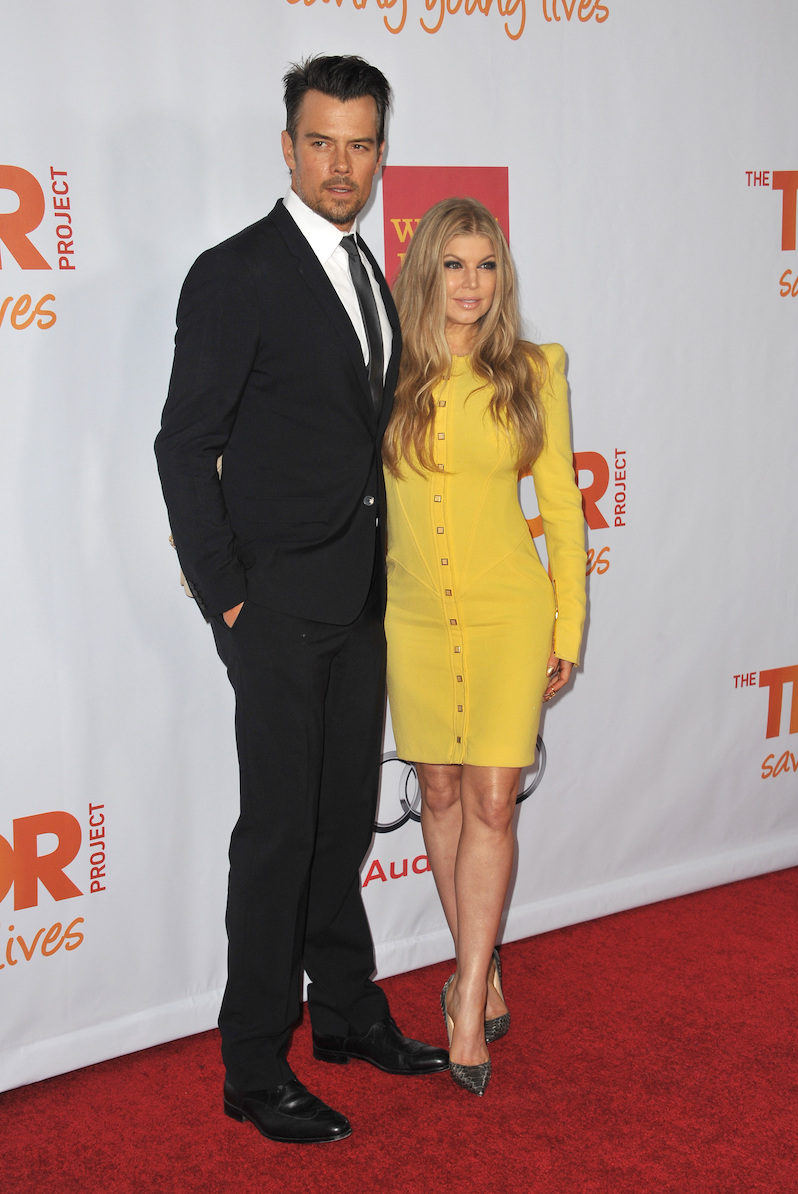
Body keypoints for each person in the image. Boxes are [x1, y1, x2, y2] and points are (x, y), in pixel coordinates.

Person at [155, 55, 448, 1146]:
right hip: (276, 609)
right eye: (320, 141)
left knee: (335, 824)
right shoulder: (235, 271)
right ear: (287, 146)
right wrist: (230, 602)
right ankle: (250, 1062)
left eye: (360, 143)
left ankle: (345, 1010)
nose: (341, 163)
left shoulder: (371, 267)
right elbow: (184, 445)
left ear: (379, 152)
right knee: (277, 834)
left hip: (362, 598)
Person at [382, 197, 586, 1096]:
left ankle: (466, 994)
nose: (472, 284)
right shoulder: (385, 370)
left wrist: (569, 629)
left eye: (487, 265)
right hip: (413, 617)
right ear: (426, 270)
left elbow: (566, 513)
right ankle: (483, 957)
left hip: (511, 615)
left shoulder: (536, 370)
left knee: (494, 801)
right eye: (455, 265)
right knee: (438, 789)